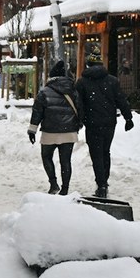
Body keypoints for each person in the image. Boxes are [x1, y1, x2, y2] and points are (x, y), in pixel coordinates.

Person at [75, 47, 134, 198]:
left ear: (87, 65)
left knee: (96, 155)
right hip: (109, 123)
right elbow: (121, 99)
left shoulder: (82, 83)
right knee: (105, 152)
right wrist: (128, 118)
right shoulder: (112, 81)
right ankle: (104, 182)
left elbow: (79, 104)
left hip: (92, 123)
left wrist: (79, 121)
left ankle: (101, 184)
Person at [28, 60, 83, 195]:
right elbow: (81, 109)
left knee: (46, 157)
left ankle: (53, 184)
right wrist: (78, 124)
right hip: (69, 132)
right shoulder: (73, 91)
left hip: (49, 132)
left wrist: (32, 130)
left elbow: (37, 113)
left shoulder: (44, 92)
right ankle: (65, 188)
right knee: (66, 161)